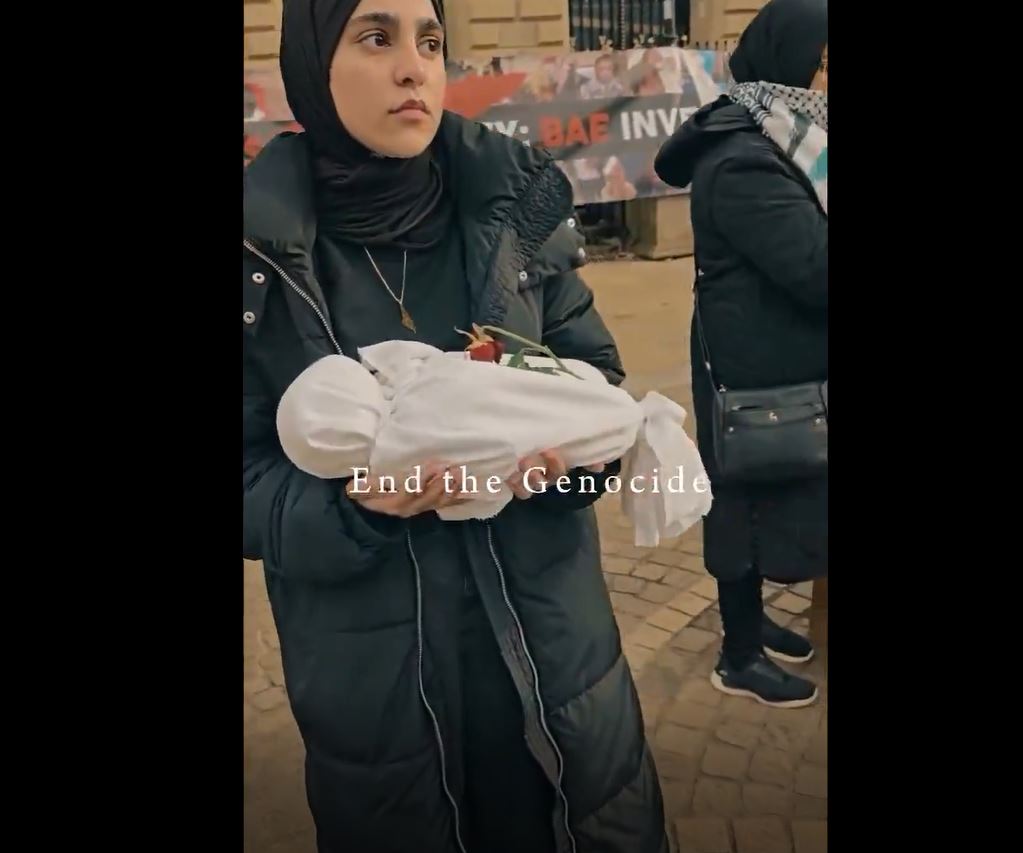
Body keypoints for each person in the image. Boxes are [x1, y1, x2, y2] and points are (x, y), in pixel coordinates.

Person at [242, 2, 668, 852]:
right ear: (312, 65)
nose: (414, 67)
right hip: (376, 686)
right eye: (376, 38)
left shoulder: (512, 211)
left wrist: (575, 462)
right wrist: (351, 510)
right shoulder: (260, 257)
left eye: (431, 41)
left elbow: (595, 379)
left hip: (554, 655)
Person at [653, 0, 828, 708]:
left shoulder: (781, 139)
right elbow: (816, 270)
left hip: (768, 354)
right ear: (789, 63)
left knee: (758, 496)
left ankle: (752, 627)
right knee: (740, 502)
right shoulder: (743, 162)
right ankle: (738, 655)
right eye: (824, 63)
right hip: (749, 367)